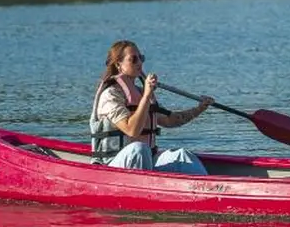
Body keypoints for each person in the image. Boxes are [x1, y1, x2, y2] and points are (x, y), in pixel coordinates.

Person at [90, 40, 214, 174]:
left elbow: (171, 120)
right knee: (138, 149)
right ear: (119, 65)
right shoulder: (110, 95)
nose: (140, 63)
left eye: (141, 58)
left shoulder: (139, 93)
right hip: (111, 166)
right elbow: (132, 130)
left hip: (145, 160)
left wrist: (200, 108)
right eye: (134, 59)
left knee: (181, 155)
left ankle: (208, 188)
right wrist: (147, 94)